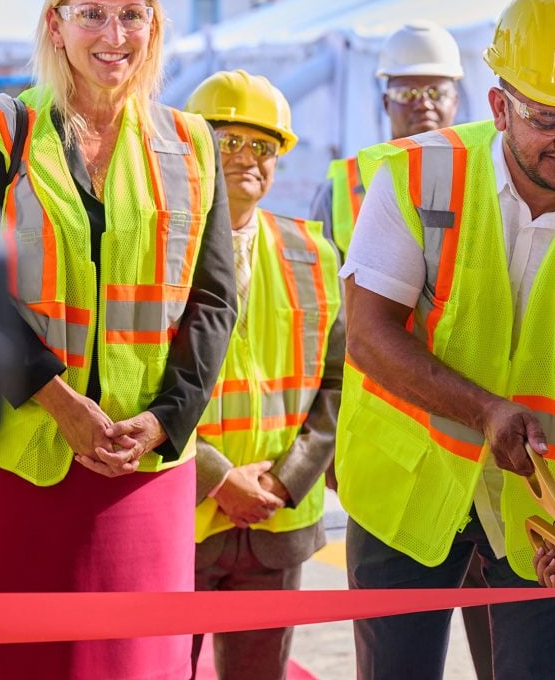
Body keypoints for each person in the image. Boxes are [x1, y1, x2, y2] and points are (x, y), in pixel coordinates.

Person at [336, 0, 555, 680]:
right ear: (499, 105)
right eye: (548, 120)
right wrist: (485, 410)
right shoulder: (413, 176)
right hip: (405, 489)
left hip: (545, 513)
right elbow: (368, 336)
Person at [0, 0, 235, 680]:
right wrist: (61, 404)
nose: (114, 36)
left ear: (155, 24)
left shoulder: (194, 144)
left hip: (145, 473)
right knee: (17, 665)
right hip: (19, 461)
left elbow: (214, 301)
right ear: (56, 19)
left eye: (132, 14)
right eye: (92, 13)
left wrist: (166, 422)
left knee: (137, 666)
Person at [185, 71, 344, 679]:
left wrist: (288, 481)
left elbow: (335, 382)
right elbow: (130, 377)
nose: (249, 159)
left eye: (264, 146)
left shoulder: (312, 252)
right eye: (231, 142)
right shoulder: (158, 249)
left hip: (278, 518)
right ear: (196, 148)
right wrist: (219, 478)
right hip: (184, 513)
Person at [310, 21, 464, 257]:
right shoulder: (339, 190)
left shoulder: (487, 181)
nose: (423, 104)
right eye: (407, 94)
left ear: (455, 102)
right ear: (385, 103)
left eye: (435, 93)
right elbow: (322, 284)